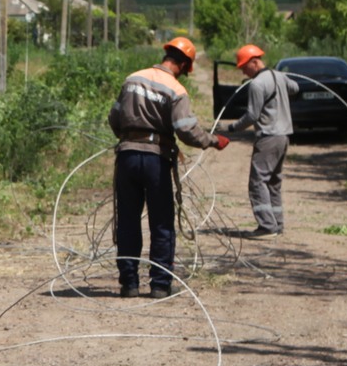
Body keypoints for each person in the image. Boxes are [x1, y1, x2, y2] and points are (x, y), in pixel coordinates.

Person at [108, 35, 226, 298]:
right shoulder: (176, 90)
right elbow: (186, 131)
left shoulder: (132, 79)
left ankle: (129, 284)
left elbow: (114, 117)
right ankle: (160, 284)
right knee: (161, 222)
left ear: (166, 56)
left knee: (127, 221)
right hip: (155, 160)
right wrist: (213, 141)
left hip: (127, 156)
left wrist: (128, 137)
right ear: (184, 66)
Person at [223, 43, 298, 236]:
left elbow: (252, 116)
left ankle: (267, 226)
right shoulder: (279, 76)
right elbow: (295, 88)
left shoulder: (257, 84)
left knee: (257, 182)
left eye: (244, 68)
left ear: (254, 62)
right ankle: (277, 225)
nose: (243, 73)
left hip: (268, 137)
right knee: (273, 182)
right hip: (283, 137)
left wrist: (232, 128)